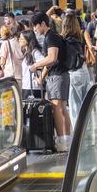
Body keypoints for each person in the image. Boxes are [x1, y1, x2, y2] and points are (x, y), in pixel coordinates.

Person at [30, 12, 71, 152]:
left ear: (42, 23)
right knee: (63, 109)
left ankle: (61, 142)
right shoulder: (53, 36)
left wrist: (36, 65)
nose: (35, 30)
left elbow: (52, 58)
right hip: (61, 75)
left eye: (35, 26)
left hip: (57, 76)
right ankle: (67, 140)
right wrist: (42, 77)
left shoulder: (50, 36)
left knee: (57, 109)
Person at [61, 13, 90, 128]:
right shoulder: (80, 37)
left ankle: (78, 135)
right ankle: (86, 130)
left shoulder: (65, 40)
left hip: (73, 73)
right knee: (85, 106)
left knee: (74, 107)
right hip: (84, 70)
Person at [19, 31, 44, 98]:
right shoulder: (26, 52)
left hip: (33, 87)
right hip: (26, 86)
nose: (19, 40)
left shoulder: (35, 52)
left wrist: (40, 79)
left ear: (27, 40)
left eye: (21, 39)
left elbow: (46, 64)